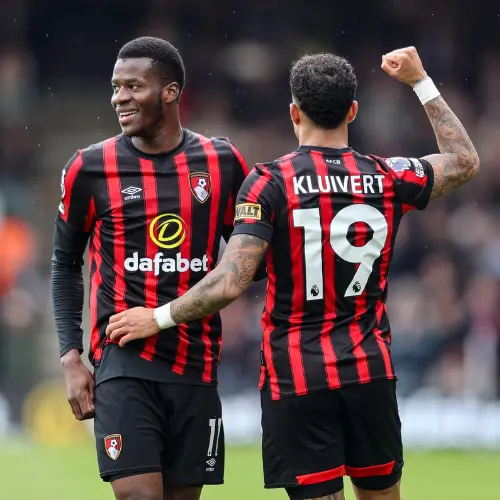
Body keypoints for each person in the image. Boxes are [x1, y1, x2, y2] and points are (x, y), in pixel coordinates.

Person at [106, 46, 479, 500]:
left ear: (294, 113)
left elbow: (231, 281)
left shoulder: (270, 183)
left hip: (299, 378)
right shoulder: (386, 176)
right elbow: (464, 161)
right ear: (353, 111)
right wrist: (420, 81)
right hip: (370, 372)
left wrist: (157, 316)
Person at [51, 36, 253, 500]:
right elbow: (64, 263)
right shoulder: (90, 167)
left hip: (197, 361)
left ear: (170, 92)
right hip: (124, 361)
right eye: (115, 87)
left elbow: (250, 257)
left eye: (133, 86)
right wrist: (70, 357)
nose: (119, 98)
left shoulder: (222, 162)